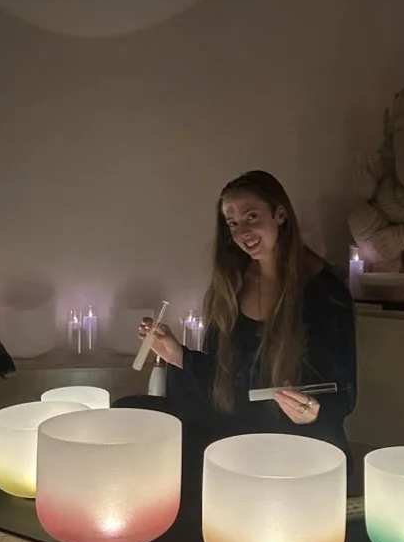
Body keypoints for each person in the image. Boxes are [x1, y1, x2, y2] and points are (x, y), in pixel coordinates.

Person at [116, 170, 357, 471]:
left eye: (251, 217)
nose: (243, 232)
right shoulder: (233, 282)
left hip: (291, 443)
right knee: (130, 421)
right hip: (229, 433)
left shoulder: (325, 291)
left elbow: (344, 389)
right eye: (233, 223)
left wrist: (313, 411)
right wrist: (178, 355)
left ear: (280, 215)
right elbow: (222, 376)